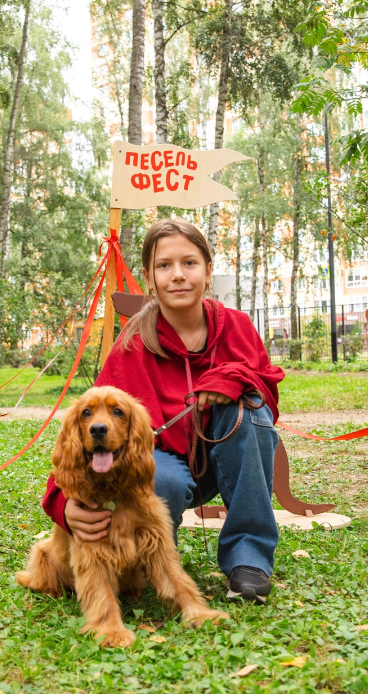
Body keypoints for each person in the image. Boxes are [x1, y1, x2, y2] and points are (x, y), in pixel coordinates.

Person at [41, 219, 284, 604]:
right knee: (162, 478)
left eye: (189, 263)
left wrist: (235, 379)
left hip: (229, 453)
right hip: (163, 464)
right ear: (150, 279)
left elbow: (267, 393)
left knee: (251, 414)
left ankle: (248, 559)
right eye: (164, 265)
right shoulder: (133, 342)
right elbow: (88, 426)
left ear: (207, 270)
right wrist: (61, 503)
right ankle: (152, 561)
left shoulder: (236, 326)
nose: (178, 276)